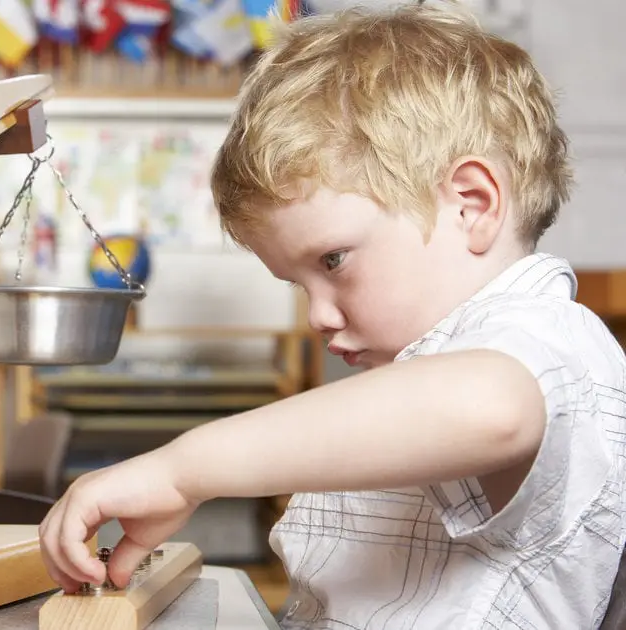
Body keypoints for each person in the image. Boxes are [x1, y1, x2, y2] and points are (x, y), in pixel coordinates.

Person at [38, 2, 626, 627]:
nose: (317, 315)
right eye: (296, 283)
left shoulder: (547, 337)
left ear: (471, 205)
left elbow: (492, 408)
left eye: (334, 260)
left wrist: (184, 470)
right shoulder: (423, 374)